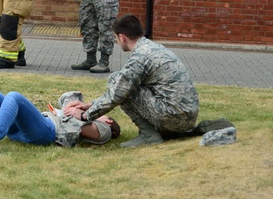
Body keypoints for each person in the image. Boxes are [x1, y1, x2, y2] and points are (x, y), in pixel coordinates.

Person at [63, 14, 199, 148]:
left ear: (122, 37)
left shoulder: (140, 57)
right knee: (122, 81)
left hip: (174, 118)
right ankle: (164, 132)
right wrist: (89, 105)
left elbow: (117, 93)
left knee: (116, 81)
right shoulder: (154, 47)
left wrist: (85, 116)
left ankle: (148, 135)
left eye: (116, 38)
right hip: (188, 116)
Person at [0, 88, 122, 153]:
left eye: (103, 112)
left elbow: (86, 129)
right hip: (25, 127)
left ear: (109, 121)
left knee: (14, 96)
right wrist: (82, 106)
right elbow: (67, 98)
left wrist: (85, 114)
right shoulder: (87, 109)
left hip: (47, 131)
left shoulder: (104, 129)